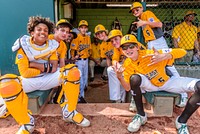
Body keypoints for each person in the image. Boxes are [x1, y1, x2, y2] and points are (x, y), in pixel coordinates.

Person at [0, 16, 90, 133]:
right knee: (6, 84)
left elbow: (53, 68)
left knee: (72, 71)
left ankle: (69, 112)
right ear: (32, 32)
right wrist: (45, 67)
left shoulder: (52, 45)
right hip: (29, 81)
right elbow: (25, 73)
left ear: (48, 33)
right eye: (39, 29)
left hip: (48, 78)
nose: (43, 32)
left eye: (45, 30)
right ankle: (26, 122)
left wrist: (33, 64)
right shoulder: (23, 45)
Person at [114, 34, 200, 134]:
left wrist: (165, 55)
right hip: (150, 85)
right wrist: (119, 77)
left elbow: (182, 52)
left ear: (137, 47)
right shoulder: (127, 64)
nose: (128, 50)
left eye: (131, 46)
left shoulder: (150, 53)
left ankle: (181, 122)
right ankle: (141, 115)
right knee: (134, 78)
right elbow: (128, 88)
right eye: (124, 48)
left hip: (167, 82)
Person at [129, 2, 188, 107]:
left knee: (169, 66)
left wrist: (144, 23)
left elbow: (159, 24)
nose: (135, 11)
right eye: (133, 11)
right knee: (155, 66)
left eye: (136, 9)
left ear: (141, 8)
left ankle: (183, 94)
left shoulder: (147, 13)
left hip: (158, 42)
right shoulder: (142, 17)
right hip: (152, 43)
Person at [70, 20, 92, 102]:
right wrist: (74, 58)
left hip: (86, 60)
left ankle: (82, 94)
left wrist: (88, 55)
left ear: (87, 29)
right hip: (78, 61)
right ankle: (80, 98)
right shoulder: (76, 37)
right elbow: (72, 50)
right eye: (82, 27)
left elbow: (89, 49)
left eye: (85, 27)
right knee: (80, 79)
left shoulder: (88, 38)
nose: (83, 29)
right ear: (79, 29)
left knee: (85, 78)